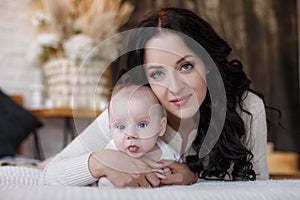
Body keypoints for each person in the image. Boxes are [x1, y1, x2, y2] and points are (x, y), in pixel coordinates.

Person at [39, 7, 268, 187]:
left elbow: (260, 189)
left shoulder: (246, 107)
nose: (175, 87)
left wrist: (194, 177)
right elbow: (50, 174)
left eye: (186, 66)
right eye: (158, 73)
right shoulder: (134, 108)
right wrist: (100, 163)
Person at [98, 84, 178, 187]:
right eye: (121, 127)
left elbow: (176, 176)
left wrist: (168, 173)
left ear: (161, 127)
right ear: (110, 130)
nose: (131, 135)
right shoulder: (111, 151)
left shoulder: (168, 154)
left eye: (142, 125)